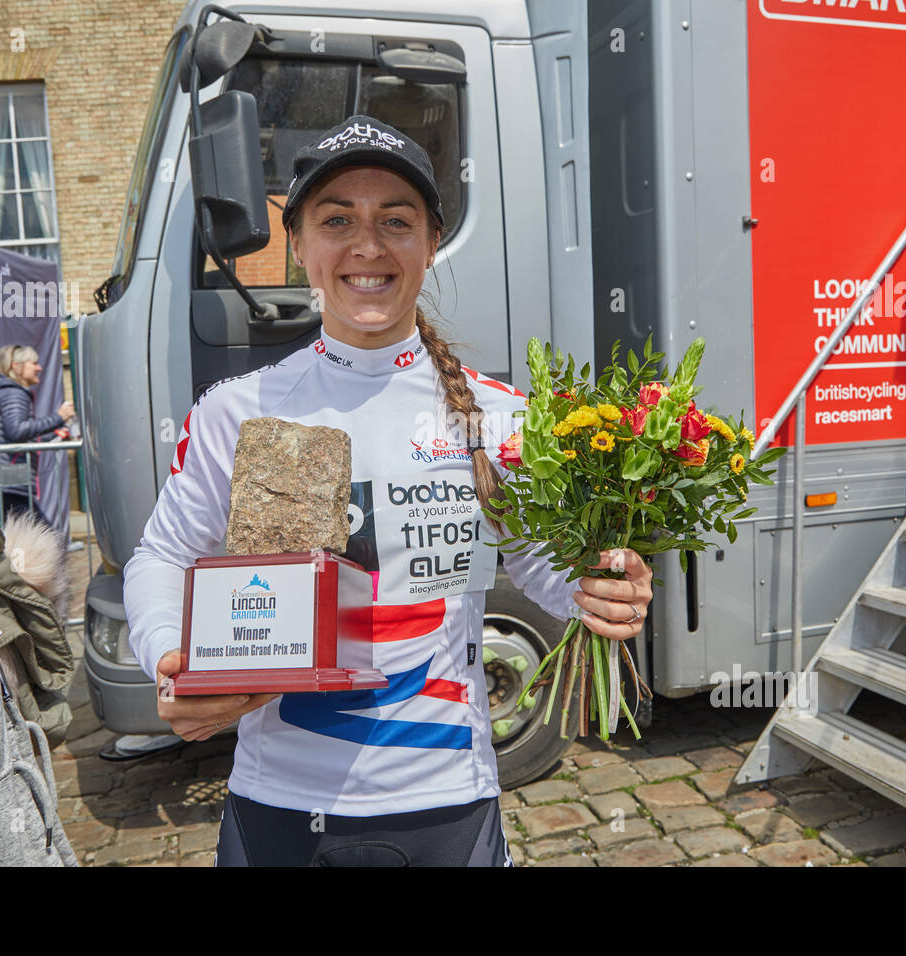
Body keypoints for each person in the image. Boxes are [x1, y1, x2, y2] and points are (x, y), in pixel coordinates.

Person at [122, 115, 654, 867]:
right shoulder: (235, 411)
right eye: (337, 220)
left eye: (396, 221)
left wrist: (601, 590)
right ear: (297, 243)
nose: (367, 246)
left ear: (432, 243)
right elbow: (161, 556)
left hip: (447, 804)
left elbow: (542, 565)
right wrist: (171, 658)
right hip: (279, 805)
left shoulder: (502, 417)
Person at [0, 344, 74, 524]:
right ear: (16, 366)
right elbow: (17, 431)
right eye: (33, 363)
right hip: (1, 485)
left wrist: (54, 435)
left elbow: (19, 436)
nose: (39, 368)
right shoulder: (14, 393)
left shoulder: (8, 392)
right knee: (45, 537)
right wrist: (58, 417)